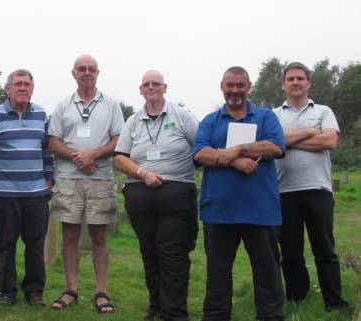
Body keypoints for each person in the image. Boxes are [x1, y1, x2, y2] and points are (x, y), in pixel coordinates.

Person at [193, 66, 286, 321]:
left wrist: (238, 149)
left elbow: (276, 146)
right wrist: (233, 161)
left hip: (261, 211)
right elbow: (200, 152)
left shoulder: (265, 117)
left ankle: (270, 317)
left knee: (267, 272)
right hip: (219, 212)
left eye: (240, 85)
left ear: (249, 87)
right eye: (230, 85)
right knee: (217, 274)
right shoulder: (210, 120)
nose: (235, 90)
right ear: (222, 87)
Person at [113, 70, 199, 321]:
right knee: (150, 252)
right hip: (141, 193)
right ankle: (156, 307)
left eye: (156, 84)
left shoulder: (182, 115)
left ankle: (175, 313)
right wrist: (142, 173)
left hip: (176, 191)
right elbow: (119, 157)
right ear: (141, 90)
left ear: (165, 87)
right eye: (146, 84)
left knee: (172, 253)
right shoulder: (133, 121)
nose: (151, 87)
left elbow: (203, 144)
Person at [48, 54, 124, 313]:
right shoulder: (63, 106)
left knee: (99, 236)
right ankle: (71, 289)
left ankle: (101, 292)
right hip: (69, 179)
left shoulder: (111, 105)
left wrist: (93, 154)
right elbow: (53, 141)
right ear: (73, 73)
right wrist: (78, 157)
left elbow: (118, 140)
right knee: (69, 235)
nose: (87, 72)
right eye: (82, 69)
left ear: (98, 73)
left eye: (91, 69)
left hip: (100, 178)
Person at [273, 62, 349, 311]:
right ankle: (297, 298)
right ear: (283, 84)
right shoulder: (274, 115)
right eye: (291, 79)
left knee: (325, 250)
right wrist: (308, 132)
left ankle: (334, 303)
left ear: (308, 83)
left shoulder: (324, 110)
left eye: (300, 78)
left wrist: (288, 140)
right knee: (291, 253)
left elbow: (329, 140)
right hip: (284, 192)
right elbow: (272, 141)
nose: (295, 82)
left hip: (319, 190)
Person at [0, 69, 53, 306]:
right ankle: (7, 292)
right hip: (4, 193)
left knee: (35, 246)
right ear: (8, 89)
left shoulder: (42, 115)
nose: (23, 88)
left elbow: (47, 151)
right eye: (18, 84)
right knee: (6, 244)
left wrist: (49, 180)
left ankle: (34, 291)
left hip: (36, 194)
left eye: (27, 84)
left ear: (32, 89)